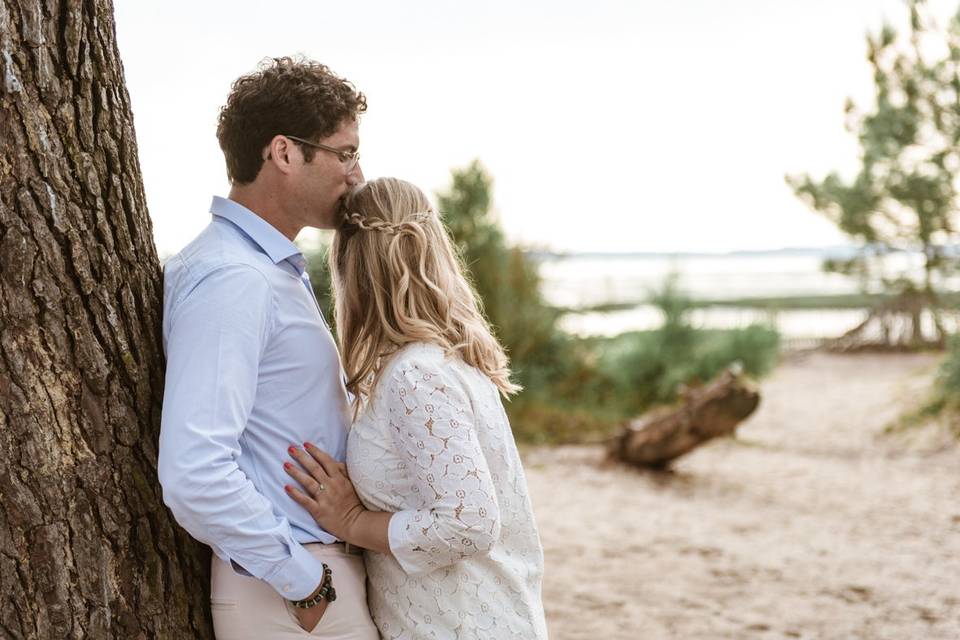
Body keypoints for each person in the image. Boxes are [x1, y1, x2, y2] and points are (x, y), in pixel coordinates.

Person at [157, 57, 378, 638]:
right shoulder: (236, 277)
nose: (357, 175)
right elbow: (194, 469)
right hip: (290, 594)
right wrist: (303, 580)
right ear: (283, 153)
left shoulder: (262, 266)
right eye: (345, 152)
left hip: (302, 583)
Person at [282, 177, 549, 639]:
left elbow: (469, 523)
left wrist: (352, 522)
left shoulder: (416, 375)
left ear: (351, 265)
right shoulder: (437, 362)